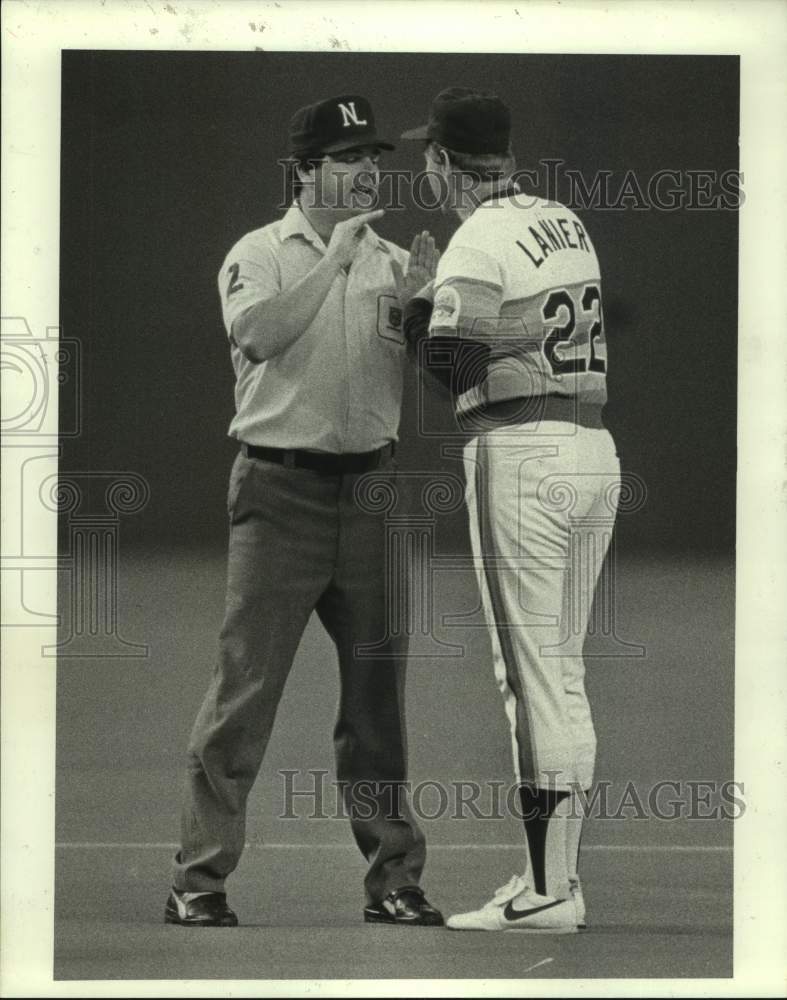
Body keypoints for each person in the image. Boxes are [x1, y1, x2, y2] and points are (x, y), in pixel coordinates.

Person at [165, 94, 443, 928]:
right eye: (350, 158)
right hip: (279, 490)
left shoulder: (393, 260)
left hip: (370, 492)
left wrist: (426, 305)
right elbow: (258, 337)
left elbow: (427, 381)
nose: (367, 173)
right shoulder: (262, 252)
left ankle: (394, 878)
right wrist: (334, 264)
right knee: (244, 693)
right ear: (307, 170)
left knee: (375, 702)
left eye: (373, 160)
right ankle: (199, 880)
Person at [401, 87, 621, 932]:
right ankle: (556, 882)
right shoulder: (563, 218)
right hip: (592, 451)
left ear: (444, 162)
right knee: (559, 671)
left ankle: (543, 895)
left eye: (428, 152)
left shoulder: (479, 235)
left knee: (527, 678)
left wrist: (419, 301)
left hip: (520, 452)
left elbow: (452, 366)